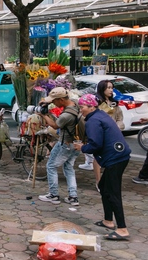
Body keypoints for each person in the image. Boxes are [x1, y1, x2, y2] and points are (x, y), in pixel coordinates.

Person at [75, 94, 131, 240]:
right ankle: (108, 220)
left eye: (82, 107)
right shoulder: (100, 115)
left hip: (115, 158)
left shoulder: (93, 121)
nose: (81, 110)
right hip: (119, 154)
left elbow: (95, 144)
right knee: (104, 187)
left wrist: (82, 148)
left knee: (113, 193)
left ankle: (123, 229)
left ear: (91, 106)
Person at [37, 87, 84, 206]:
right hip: (77, 144)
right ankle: (73, 197)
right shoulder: (76, 104)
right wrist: (46, 102)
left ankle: (53, 195)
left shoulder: (66, 115)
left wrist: (43, 115)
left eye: (54, 101)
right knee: (68, 168)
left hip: (66, 144)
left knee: (51, 166)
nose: (53, 103)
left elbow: (55, 125)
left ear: (62, 100)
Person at [79, 80, 125, 184]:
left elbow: (119, 117)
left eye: (111, 88)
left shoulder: (114, 103)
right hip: (100, 132)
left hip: (112, 133)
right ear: (102, 88)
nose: (110, 90)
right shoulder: (95, 103)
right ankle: (98, 181)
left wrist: (118, 126)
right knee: (98, 157)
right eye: (108, 87)